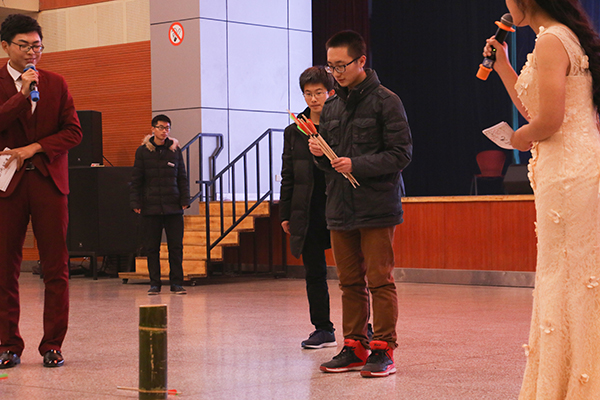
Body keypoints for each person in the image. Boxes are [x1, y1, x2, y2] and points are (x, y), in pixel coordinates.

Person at [484, 0, 600, 398]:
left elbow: (548, 121)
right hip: (573, 166)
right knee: (574, 275)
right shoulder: (561, 37)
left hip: (568, 171)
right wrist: (503, 65)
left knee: (565, 276)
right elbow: (537, 106)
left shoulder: (551, 41)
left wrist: (519, 138)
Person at [308, 30, 412, 378]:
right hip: (340, 206)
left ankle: (383, 348)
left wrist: (357, 164)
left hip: (377, 204)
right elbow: (331, 163)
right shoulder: (332, 106)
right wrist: (320, 154)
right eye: (331, 66)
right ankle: (354, 345)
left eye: (341, 65)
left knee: (379, 280)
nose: (335, 73)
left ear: (361, 61)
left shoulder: (386, 101)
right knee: (349, 282)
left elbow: (401, 154)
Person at [0, 14, 82, 369]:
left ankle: (52, 345)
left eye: (37, 45)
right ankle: (8, 345)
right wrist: (21, 95)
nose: (32, 52)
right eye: (24, 45)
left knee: (55, 267)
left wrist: (34, 148)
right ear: (6, 46)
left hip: (49, 182)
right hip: (8, 186)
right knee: (5, 267)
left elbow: (73, 132)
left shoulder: (56, 83)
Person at [280, 66, 337, 349]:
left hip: (339, 205)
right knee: (314, 273)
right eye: (308, 93)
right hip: (308, 208)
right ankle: (323, 329)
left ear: (330, 93)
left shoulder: (341, 124)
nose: (313, 99)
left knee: (353, 273)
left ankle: (363, 328)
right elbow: (288, 174)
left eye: (318, 92)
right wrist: (286, 213)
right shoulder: (294, 131)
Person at [130, 114, 190, 295]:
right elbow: (136, 180)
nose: (165, 131)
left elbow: (182, 177)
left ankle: (176, 283)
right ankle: (154, 284)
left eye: (167, 128)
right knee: (152, 248)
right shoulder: (142, 152)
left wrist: (185, 199)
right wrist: (136, 201)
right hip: (151, 207)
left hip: (173, 206)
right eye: (161, 127)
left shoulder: (174, 150)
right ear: (153, 129)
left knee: (176, 247)